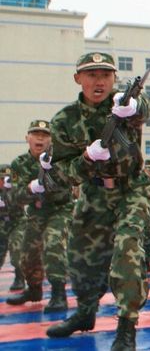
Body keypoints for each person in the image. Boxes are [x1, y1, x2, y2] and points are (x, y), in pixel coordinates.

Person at [45, 52, 150, 349]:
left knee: (127, 247)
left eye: (105, 75)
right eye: (91, 75)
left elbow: (143, 109)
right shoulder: (65, 120)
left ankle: (126, 324)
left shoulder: (123, 105)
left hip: (131, 189)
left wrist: (132, 106)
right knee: (80, 255)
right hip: (93, 193)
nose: (99, 81)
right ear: (78, 78)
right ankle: (85, 312)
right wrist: (86, 159)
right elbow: (60, 174)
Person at [5, 119, 73, 311]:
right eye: (36, 134)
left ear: (51, 140)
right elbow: (14, 197)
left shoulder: (59, 160)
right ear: (27, 138)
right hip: (37, 213)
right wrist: (30, 188)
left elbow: (69, 183)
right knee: (26, 254)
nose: (40, 138)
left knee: (53, 242)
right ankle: (34, 290)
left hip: (61, 209)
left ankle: (59, 294)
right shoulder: (19, 163)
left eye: (45, 135)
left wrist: (50, 183)